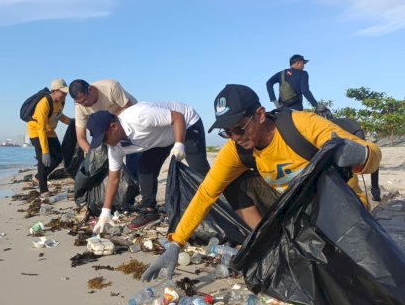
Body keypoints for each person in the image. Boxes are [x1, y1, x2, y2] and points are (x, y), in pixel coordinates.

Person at [141, 84, 381, 282]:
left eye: (239, 128)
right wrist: (175, 243)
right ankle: (271, 244)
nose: (235, 137)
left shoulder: (302, 125)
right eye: (227, 132)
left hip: (342, 214)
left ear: (260, 114)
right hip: (298, 214)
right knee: (232, 183)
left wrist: (358, 155)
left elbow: (373, 154)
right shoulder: (237, 149)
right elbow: (206, 193)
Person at [88, 101, 211, 232]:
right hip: (160, 138)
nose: (105, 144)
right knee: (145, 166)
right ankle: (149, 211)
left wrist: (179, 144)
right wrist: (105, 213)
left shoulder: (140, 116)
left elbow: (178, 117)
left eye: (104, 139)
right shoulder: (115, 147)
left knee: (198, 170)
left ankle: (216, 208)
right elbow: (113, 178)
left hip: (186, 124)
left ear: (113, 127)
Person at [69, 79, 141, 181]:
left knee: (133, 157)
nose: (84, 105)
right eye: (79, 103)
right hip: (107, 129)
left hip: (130, 121)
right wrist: (93, 154)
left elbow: (129, 109)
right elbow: (80, 137)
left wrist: (114, 128)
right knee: (110, 162)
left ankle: (135, 183)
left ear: (90, 89)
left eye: (84, 100)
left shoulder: (111, 87)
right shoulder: (80, 107)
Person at [27, 78, 72, 196]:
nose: (65, 95)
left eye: (66, 92)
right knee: (43, 160)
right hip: (36, 132)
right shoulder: (44, 103)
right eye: (63, 92)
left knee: (58, 157)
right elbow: (40, 128)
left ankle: (38, 177)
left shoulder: (62, 101)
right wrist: (45, 152)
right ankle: (43, 190)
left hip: (50, 131)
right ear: (54, 91)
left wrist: (71, 122)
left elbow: (59, 115)